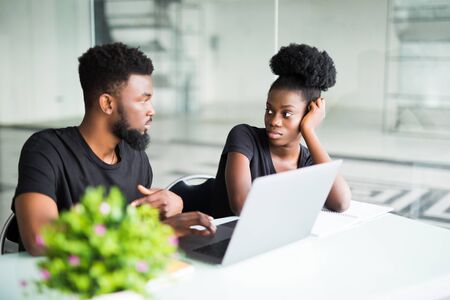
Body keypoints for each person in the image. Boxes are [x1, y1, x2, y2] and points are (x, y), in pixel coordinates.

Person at [12, 42, 216, 256]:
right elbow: (40, 238)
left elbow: (133, 224)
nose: (152, 110)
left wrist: (173, 203)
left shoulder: (136, 157)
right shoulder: (46, 150)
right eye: (143, 101)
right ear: (107, 104)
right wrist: (153, 229)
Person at [214, 43, 352, 216]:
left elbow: (341, 202)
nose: (274, 121)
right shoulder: (244, 137)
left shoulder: (308, 161)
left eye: (286, 114)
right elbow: (242, 206)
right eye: (269, 110)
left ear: (308, 114)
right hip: (216, 237)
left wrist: (308, 130)